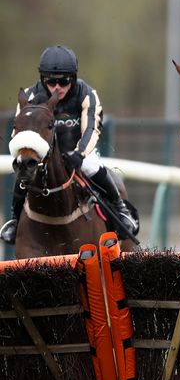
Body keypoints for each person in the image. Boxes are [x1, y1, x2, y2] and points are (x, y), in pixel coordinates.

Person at [1, 45, 138, 244]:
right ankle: (14, 220)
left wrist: (79, 154)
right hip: (41, 153)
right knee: (25, 171)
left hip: (78, 149)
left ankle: (120, 209)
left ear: (72, 78)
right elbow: (19, 131)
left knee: (91, 166)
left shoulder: (87, 94)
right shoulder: (30, 95)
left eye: (63, 81)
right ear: (42, 79)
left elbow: (91, 128)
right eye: (51, 81)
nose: (57, 87)